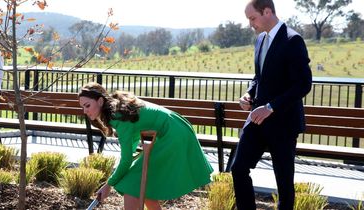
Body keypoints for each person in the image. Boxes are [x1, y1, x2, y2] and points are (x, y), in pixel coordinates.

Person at [78, 82, 213, 210]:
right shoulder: (117, 109)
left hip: (173, 135)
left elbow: (126, 160)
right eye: (83, 107)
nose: (85, 111)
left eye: (87, 105)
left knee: (132, 185)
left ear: (100, 101)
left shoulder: (118, 116)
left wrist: (108, 184)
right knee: (142, 186)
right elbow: (132, 145)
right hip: (176, 128)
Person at [230, 0, 312, 209]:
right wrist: (248, 94)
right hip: (257, 121)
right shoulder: (259, 40)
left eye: (252, 18)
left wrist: (270, 108)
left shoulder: (293, 40)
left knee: (284, 182)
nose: (250, 24)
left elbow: (303, 84)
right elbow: (259, 77)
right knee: (238, 169)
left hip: (283, 123)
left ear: (267, 11)